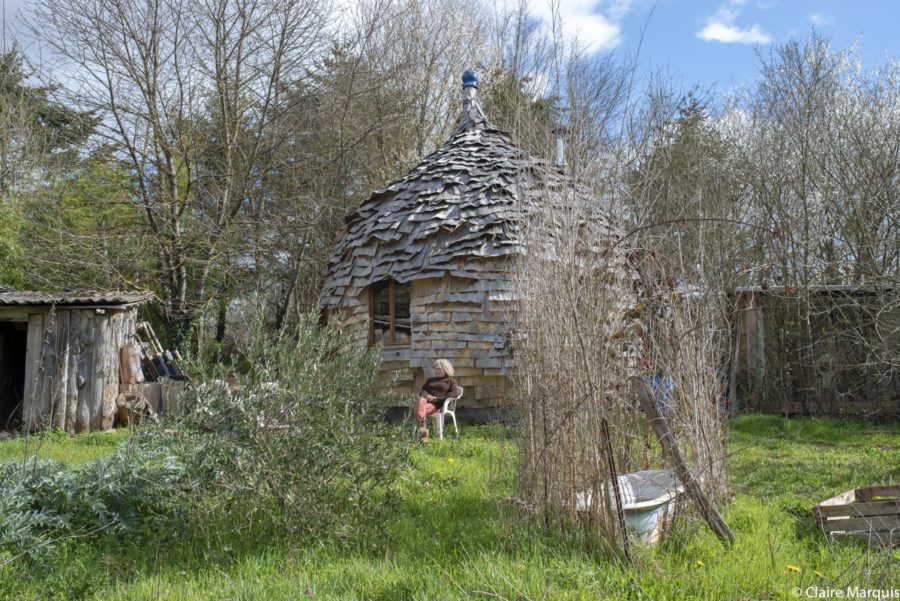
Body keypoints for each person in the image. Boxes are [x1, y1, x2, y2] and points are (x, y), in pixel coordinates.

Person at [413, 359, 459, 442]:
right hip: (425, 402)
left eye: (439, 369)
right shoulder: (430, 380)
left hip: (438, 405)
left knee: (417, 409)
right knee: (421, 400)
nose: (436, 371)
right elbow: (422, 391)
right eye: (435, 369)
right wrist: (426, 395)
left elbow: (453, 394)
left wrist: (436, 399)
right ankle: (423, 431)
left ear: (445, 369)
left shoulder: (450, 381)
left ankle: (422, 431)